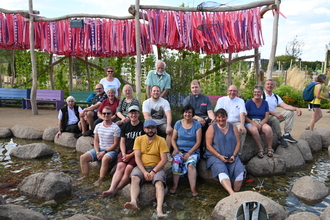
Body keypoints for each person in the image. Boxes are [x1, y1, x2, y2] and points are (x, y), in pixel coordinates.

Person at [124, 119, 169, 217]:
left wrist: (153, 171)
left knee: (159, 183)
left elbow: (164, 159)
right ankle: (133, 202)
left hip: (156, 167)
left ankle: (159, 209)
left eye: (152, 128)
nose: (150, 130)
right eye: (148, 128)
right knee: (134, 178)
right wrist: (144, 172)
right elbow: (137, 158)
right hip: (142, 167)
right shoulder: (139, 139)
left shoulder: (161, 140)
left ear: (156, 129)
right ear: (144, 129)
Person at [102, 105, 144, 197]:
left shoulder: (142, 126)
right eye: (131, 113)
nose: (133, 115)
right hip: (126, 151)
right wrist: (124, 153)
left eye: (135, 113)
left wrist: (130, 155)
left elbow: (143, 145)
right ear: (128, 114)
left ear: (138, 114)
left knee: (128, 169)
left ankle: (117, 189)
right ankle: (111, 188)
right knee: (120, 167)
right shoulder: (125, 126)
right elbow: (122, 141)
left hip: (136, 152)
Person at [204, 108, 245, 195]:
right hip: (215, 156)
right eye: (218, 117)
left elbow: (238, 142)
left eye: (223, 117)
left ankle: (236, 192)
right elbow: (208, 145)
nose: (221, 119)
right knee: (221, 171)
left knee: (240, 173)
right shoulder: (212, 127)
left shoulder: (233, 126)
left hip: (231, 155)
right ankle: (232, 193)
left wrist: (234, 155)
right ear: (216, 118)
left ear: (226, 117)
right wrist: (219, 156)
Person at [78, 106, 120, 186]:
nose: (106, 115)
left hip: (111, 151)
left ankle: (101, 179)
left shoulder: (116, 128)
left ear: (111, 114)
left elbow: (116, 144)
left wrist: (104, 152)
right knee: (83, 158)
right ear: (102, 114)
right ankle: (85, 176)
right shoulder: (98, 126)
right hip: (99, 148)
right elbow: (96, 141)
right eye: (104, 113)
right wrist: (97, 152)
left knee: (104, 159)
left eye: (108, 113)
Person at [170, 104, 202, 196]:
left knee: (191, 164)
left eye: (189, 112)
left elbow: (198, 142)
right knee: (176, 161)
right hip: (179, 150)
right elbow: (173, 139)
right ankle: (175, 186)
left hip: (193, 151)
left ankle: (193, 189)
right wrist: (176, 150)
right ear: (183, 113)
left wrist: (189, 153)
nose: (187, 114)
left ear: (193, 114)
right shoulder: (178, 123)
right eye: (186, 112)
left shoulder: (197, 125)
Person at [264, 79, 302, 146]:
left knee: (290, 112)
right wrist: (275, 114)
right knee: (274, 118)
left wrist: (296, 108)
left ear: (274, 86)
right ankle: (279, 137)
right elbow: (262, 109)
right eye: (268, 84)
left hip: (274, 115)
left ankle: (286, 134)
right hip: (265, 117)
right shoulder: (262, 95)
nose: (270, 85)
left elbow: (285, 106)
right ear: (265, 85)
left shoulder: (275, 96)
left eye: (271, 84)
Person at [214, 85, 247, 153]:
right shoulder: (221, 100)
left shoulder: (240, 101)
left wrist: (242, 124)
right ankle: (220, 152)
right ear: (227, 92)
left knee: (242, 131)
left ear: (237, 92)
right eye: (230, 90)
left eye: (234, 91)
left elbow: (242, 113)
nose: (232, 92)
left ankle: (238, 153)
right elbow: (217, 113)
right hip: (224, 121)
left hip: (236, 122)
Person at [245, 85, 274, 158]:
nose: (256, 93)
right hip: (250, 122)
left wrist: (261, 124)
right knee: (254, 129)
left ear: (261, 93)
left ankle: (269, 148)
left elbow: (267, 117)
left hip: (261, 122)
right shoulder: (248, 102)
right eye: (255, 92)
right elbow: (245, 116)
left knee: (268, 129)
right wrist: (253, 123)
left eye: (258, 92)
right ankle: (261, 149)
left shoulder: (265, 103)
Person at [142, 85, 173, 150]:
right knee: (150, 131)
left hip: (162, 124)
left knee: (170, 131)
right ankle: (151, 151)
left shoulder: (165, 102)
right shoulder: (146, 102)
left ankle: (166, 152)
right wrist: (153, 127)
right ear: (151, 92)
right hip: (150, 124)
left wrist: (168, 126)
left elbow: (168, 115)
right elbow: (146, 116)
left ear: (160, 92)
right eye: (154, 91)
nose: (156, 92)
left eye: (157, 91)